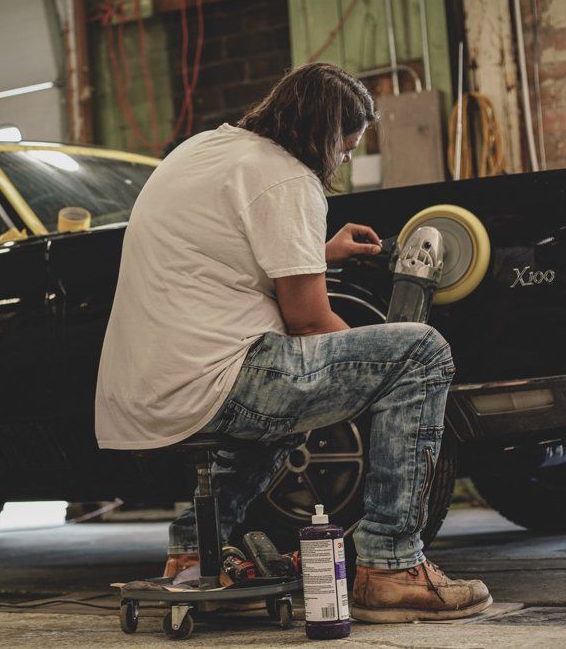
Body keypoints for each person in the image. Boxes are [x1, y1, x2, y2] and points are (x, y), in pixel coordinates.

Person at [94, 63, 492, 623]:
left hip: (150, 384)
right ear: (326, 133)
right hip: (218, 377)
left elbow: (226, 252)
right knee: (421, 353)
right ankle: (391, 568)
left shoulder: (207, 149)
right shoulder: (287, 178)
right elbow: (308, 320)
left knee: (289, 401)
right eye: (348, 145)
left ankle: (191, 551)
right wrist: (379, 368)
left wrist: (318, 252)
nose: (347, 157)